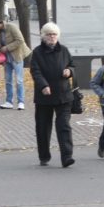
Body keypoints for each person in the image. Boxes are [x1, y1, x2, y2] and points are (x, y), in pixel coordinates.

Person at [30, 22, 76, 168]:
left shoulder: (64, 50)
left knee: (64, 126)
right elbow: (35, 71)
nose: (52, 37)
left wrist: (70, 71)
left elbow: (72, 65)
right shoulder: (37, 52)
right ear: (44, 36)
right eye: (49, 34)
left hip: (63, 95)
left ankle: (67, 156)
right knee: (43, 127)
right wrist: (43, 85)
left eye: (54, 34)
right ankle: (44, 156)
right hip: (44, 96)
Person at [0, 16, 31, 110]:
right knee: (8, 80)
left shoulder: (11, 27)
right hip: (7, 59)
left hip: (17, 56)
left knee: (19, 80)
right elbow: (2, 43)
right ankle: (9, 101)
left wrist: (7, 48)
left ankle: (21, 102)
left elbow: (20, 40)